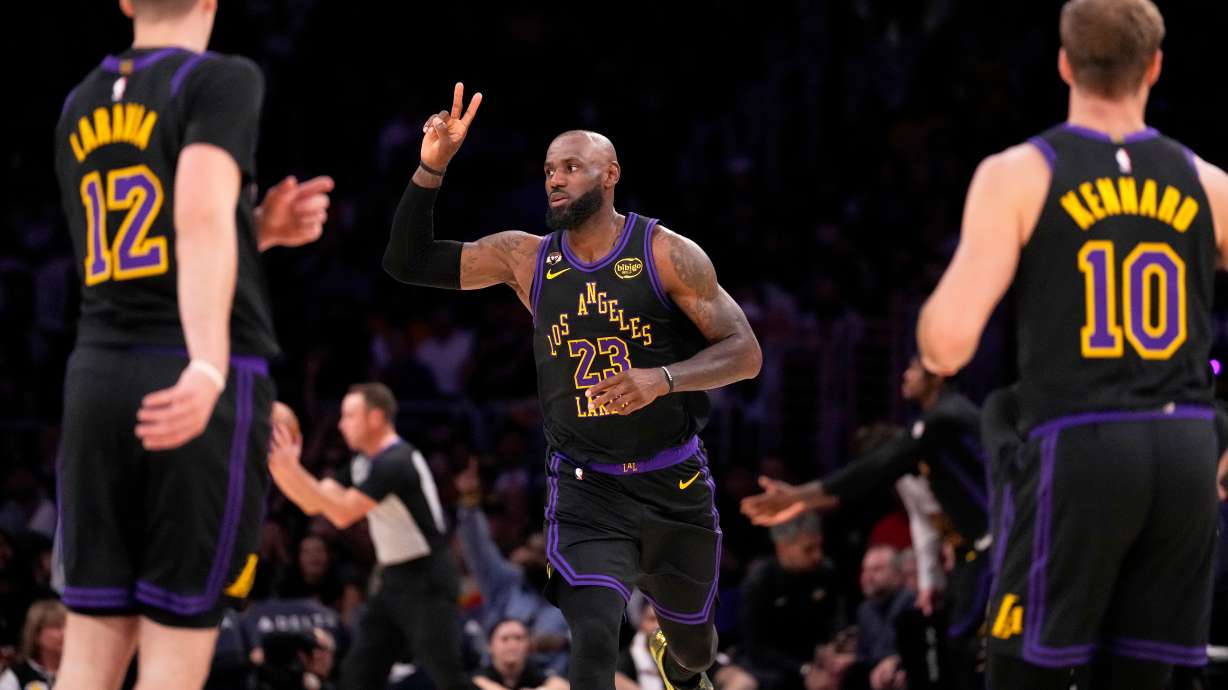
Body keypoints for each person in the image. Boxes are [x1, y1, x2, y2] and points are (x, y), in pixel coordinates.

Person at [380, 83, 762, 690]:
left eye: (572, 167)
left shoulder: (666, 253)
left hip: (674, 480)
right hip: (586, 488)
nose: (556, 179)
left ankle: (680, 668)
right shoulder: (525, 259)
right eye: (550, 170)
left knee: (695, 648)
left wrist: (663, 380)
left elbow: (746, 353)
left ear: (610, 175)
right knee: (592, 643)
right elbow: (408, 261)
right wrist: (431, 167)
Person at [915, 1, 1227, 688]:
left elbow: (948, 346)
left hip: (1084, 442)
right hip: (1185, 451)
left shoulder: (1022, 173)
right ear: (1154, 67)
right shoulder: (1208, 183)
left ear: (1064, 64)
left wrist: (934, 323)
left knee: (1019, 665)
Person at [51, 0, 332, 687]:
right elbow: (199, 215)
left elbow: (150, 251)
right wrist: (207, 364)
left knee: (89, 655)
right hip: (192, 377)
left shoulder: (79, 100)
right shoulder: (220, 78)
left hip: (97, 376)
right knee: (174, 666)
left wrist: (254, 233)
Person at [741, 357, 989, 689]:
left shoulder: (942, 420)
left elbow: (871, 471)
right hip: (975, 552)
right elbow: (924, 522)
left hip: (995, 547)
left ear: (937, 378)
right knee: (957, 642)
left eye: (913, 368)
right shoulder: (932, 430)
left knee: (967, 644)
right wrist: (930, 582)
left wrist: (799, 496)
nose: (905, 373)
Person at [266, 391, 475, 690]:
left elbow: (341, 514)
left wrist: (290, 468)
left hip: (427, 578)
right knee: (359, 675)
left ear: (376, 418)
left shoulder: (398, 461)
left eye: (349, 416)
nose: (340, 425)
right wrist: (281, 467)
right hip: (393, 577)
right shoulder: (364, 463)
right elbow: (315, 502)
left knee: (448, 677)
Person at [737, 512, 845, 690]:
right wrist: (803, 669)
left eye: (820, 546)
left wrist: (834, 645)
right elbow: (754, 646)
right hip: (771, 665)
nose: (818, 555)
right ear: (782, 547)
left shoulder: (825, 572)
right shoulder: (760, 581)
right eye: (808, 549)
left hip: (818, 659)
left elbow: (836, 619)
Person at [473, 619, 568, 690]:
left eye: (519, 638)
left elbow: (563, 685)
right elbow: (477, 682)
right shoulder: (479, 677)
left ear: (529, 645)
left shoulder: (533, 672)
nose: (512, 645)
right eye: (505, 639)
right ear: (490, 645)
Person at [0, 599, 65, 690]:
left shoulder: (79, 670)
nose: (65, 632)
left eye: (66, 626)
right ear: (36, 634)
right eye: (57, 627)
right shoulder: (18, 675)